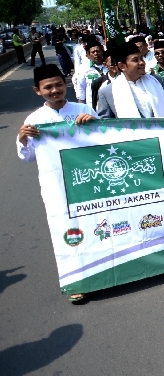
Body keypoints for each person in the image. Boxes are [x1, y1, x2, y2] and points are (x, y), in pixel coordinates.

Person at [16, 64, 97, 304]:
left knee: (96, 226)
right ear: (37, 91)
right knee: (68, 233)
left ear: (66, 84)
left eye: (59, 85)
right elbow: (27, 157)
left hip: (88, 181)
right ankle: (76, 282)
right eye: (48, 87)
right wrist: (22, 139)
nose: (55, 90)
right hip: (58, 188)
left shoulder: (83, 109)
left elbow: (103, 140)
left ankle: (104, 272)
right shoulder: (35, 120)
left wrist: (94, 123)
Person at [97, 42, 164, 118]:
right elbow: (105, 123)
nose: (142, 62)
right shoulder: (107, 92)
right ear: (122, 66)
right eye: (135, 60)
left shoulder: (156, 81)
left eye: (141, 58)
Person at [76, 39, 106, 105]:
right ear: (88, 56)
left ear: (102, 52)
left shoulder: (109, 66)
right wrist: (82, 107)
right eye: (93, 52)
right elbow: (81, 88)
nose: (96, 54)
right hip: (93, 105)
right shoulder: (83, 68)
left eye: (98, 51)